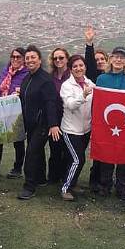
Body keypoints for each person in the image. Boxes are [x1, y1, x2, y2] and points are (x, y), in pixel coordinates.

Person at [95, 46, 125, 201]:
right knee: (106, 154)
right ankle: (105, 185)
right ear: (111, 59)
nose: (118, 60)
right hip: (106, 124)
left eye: (122, 57)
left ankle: (122, 188)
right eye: (115, 56)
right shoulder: (102, 79)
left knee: (124, 156)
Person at [17, 45, 61, 200]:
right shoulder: (27, 78)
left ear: (39, 60)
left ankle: (29, 186)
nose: (29, 60)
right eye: (27, 58)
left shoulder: (45, 79)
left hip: (42, 123)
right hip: (30, 123)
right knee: (38, 152)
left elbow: (51, 102)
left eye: (32, 57)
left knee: (31, 152)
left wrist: (53, 124)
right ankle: (41, 178)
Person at [0, 47, 29, 178]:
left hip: (18, 112)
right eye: (13, 57)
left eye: (18, 57)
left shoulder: (27, 74)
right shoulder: (6, 71)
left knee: (18, 140)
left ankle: (17, 168)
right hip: (1, 110)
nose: (15, 59)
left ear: (23, 59)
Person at [59, 55, 94, 201]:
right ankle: (65, 188)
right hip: (70, 130)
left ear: (85, 67)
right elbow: (71, 105)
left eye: (81, 65)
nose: (78, 68)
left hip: (85, 129)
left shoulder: (90, 83)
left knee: (77, 159)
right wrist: (83, 95)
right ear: (71, 69)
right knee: (77, 160)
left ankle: (72, 183)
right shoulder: (66, 86)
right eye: (75, 66)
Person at [83, 25, 109, 192]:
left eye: (102, 59)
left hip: (108, 118)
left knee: (104, 149)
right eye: (97, 59)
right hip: (93, 117)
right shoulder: (93, 77)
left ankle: (103, 180)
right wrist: (89, 43)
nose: (99, 62)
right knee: (96, 149)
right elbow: (89, 64)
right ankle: (94, 179)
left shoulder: (111, 77)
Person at [47, 47, 70, 185]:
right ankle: (53, 177)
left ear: (67, 58)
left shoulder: (73, 76)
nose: (58, 60)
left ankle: (65, 177)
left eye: (61, 57)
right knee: (55, 148)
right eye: (55, 58)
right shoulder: (50, 78)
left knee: (67, 150)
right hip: (54, 118)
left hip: (70, 117)